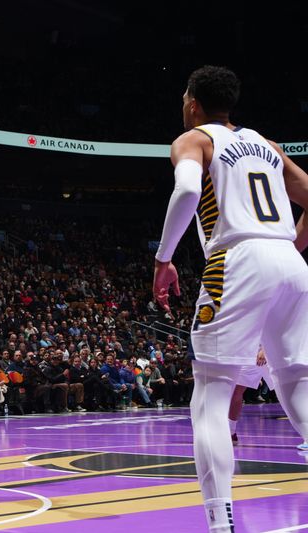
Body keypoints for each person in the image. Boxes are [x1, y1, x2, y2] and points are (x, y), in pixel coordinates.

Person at [152, 65, 308, 533]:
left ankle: (221, 525)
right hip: (289, 263)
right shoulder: (267, 144)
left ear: (194, 103)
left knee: (210, 399)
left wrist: (163, 259)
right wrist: (290, 248)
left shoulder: (194, 139)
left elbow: (184, 191)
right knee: (298, 385)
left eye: (184, 96)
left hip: (236, 258)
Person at [228, 346, 274, 445]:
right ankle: (231, 432)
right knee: (236, 391)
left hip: (272, 350)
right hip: (249, 353)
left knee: (286, 392)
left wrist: (265, 349)